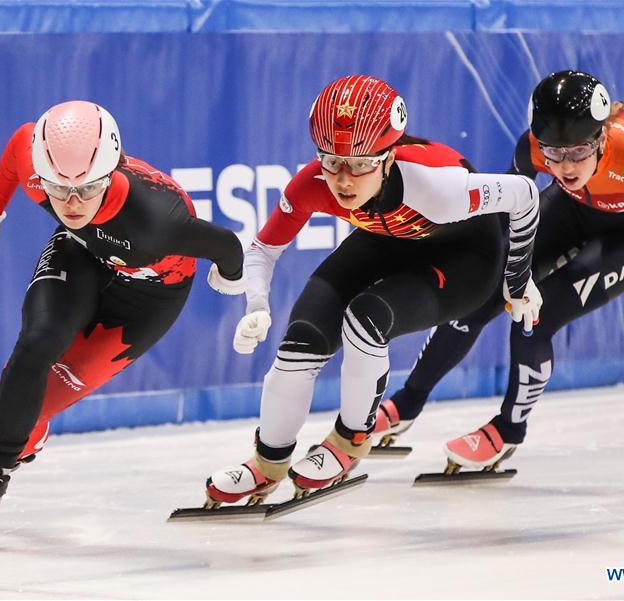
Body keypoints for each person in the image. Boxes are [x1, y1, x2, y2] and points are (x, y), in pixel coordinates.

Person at [204, 74, 542, 506]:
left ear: (387, 158)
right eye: (331, 160)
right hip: (386, 239)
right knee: (302, 336)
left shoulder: (437, 188)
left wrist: (516, 280)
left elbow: (525, 194)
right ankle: (267, 462)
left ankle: (349, 441)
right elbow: (264, 249)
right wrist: (257, 304)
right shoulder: (313, 183)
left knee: (366, 318)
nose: (343, 179)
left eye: (360, 163)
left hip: (463, 258)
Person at [372, 70, 624, 471]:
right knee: (480, 291)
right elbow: (504, 212)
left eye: (576, 153)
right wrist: (496, 265)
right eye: (554, 153)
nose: (565, 166)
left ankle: (508, 429)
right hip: (575, 209)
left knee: (540, 315)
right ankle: (408, 401)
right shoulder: (533, 148)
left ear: (602, 139)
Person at [0, 100, 245, 526]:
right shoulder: (37, 164)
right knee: (36, 345)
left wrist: (235, 283)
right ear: (42, 175)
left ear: (112, 171)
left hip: (149, 297)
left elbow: (227, 246)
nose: (73, 203)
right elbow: (19, 141)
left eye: (89, 188)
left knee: (39, 404)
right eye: (58, 190)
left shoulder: (155, 220)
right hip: (83, 252)